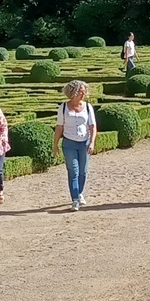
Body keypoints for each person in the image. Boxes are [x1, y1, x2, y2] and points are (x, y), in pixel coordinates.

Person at [55, 80, 98, 211]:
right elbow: (59, 127)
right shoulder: (63, 107)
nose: (84, 92)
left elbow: (93, 126)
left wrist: (92, 142)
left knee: (83, 171)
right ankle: (75, 199)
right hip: (69, 143)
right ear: (73, 92)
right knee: (73, 171)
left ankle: (80, 193)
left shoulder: (88, 107)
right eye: (81, 90)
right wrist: (55, 144)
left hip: (84, 142)